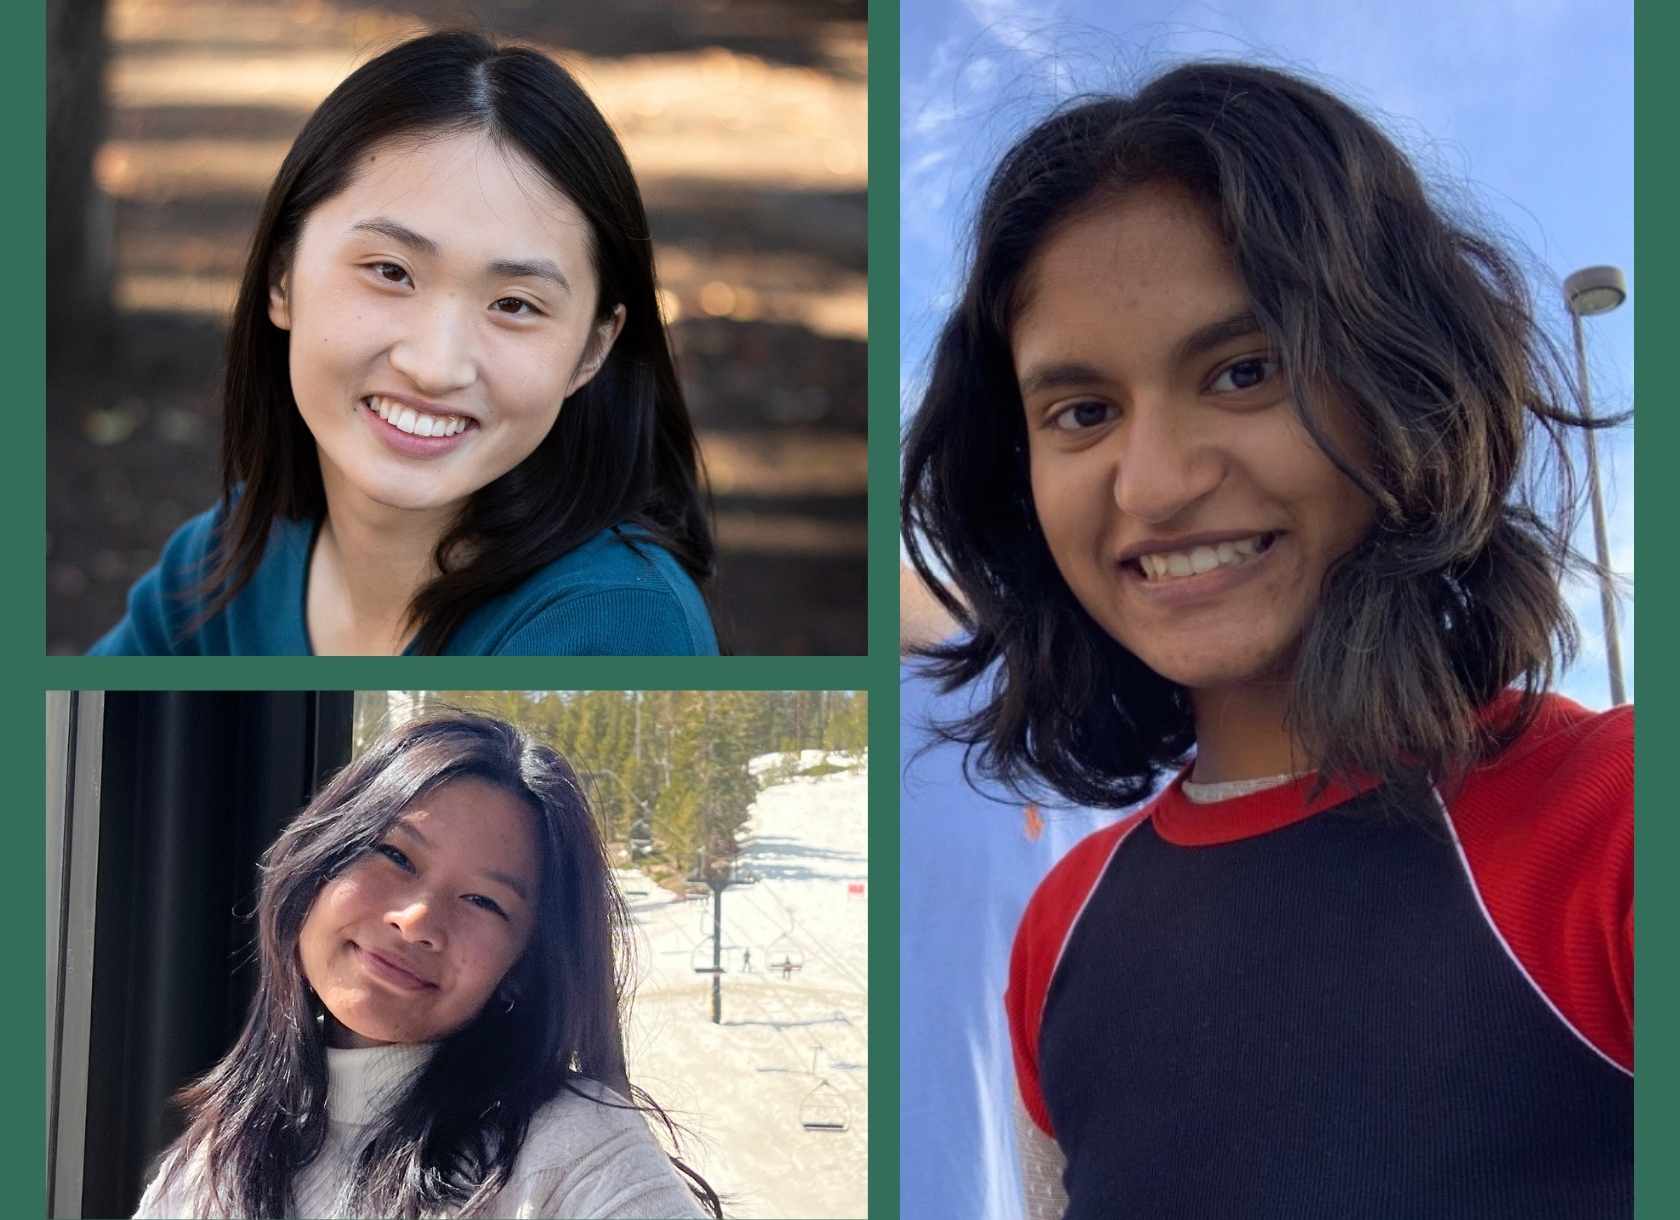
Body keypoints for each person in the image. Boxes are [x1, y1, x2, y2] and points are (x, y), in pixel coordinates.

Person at [900, 61, 1632, 1219]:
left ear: (1406, 386)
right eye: (1082, 411)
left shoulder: (1614, 821)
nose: (1154, 482)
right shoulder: (1063, 927)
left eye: (1245, 371)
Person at [91, 31, 718, 656]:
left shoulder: (619, 626)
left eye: (515, 305)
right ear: (282, 277)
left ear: (592, 349)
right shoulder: (234, 553)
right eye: (391, 272)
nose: (435, 367)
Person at [134, 711, 720, 1218]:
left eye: (484, 902)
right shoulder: (210, 1161)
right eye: (394, 855)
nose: (416, 919)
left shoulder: (573, 1151)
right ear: (316, 866)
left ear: (522, 965)